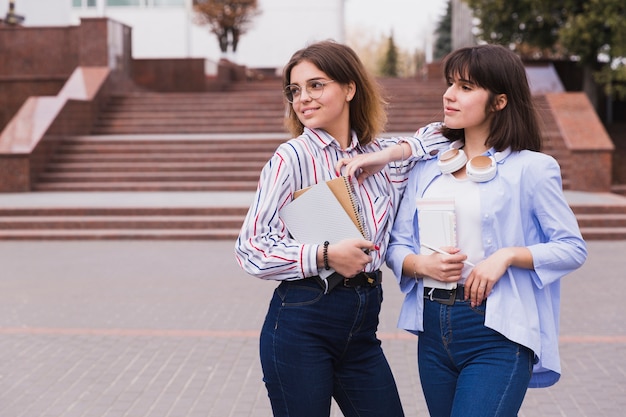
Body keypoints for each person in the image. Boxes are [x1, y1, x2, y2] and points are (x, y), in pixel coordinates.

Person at [339, 44, 588, 417]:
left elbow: (571, 247)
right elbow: (397, 245)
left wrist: (505, 257)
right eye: (450, 83)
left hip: (497, 331)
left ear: (499, 101)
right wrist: (421, 265)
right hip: (434, 329)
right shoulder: (425, 169)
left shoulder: (532, 168)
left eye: (466, 87)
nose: (449, 95)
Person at [234, 40, 448, 417]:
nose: (303, 98)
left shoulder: (381, 158)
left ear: (350, 88)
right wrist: (325, 253)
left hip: (362, 326)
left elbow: (447, 135)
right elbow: (251, 247)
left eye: (316, 85)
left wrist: (387, 153)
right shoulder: (292, 157)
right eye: (295, 90)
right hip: (304, 320)